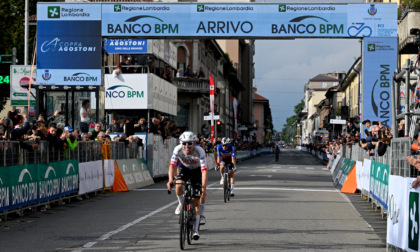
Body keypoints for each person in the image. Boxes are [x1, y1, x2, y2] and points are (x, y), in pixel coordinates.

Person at [166, 131, 208, 241]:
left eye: (190, 143)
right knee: (178, 186)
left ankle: (195, 230)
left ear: (194, 143)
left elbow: (204, 171)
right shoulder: (178, 149)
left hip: (197, 171)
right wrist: (171, 180)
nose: (187, 146)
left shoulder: (200, 151)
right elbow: (172, 166)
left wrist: (203, 187)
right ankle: (181, 203)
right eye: (184, 143)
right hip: (184, 168)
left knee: (195, 200)